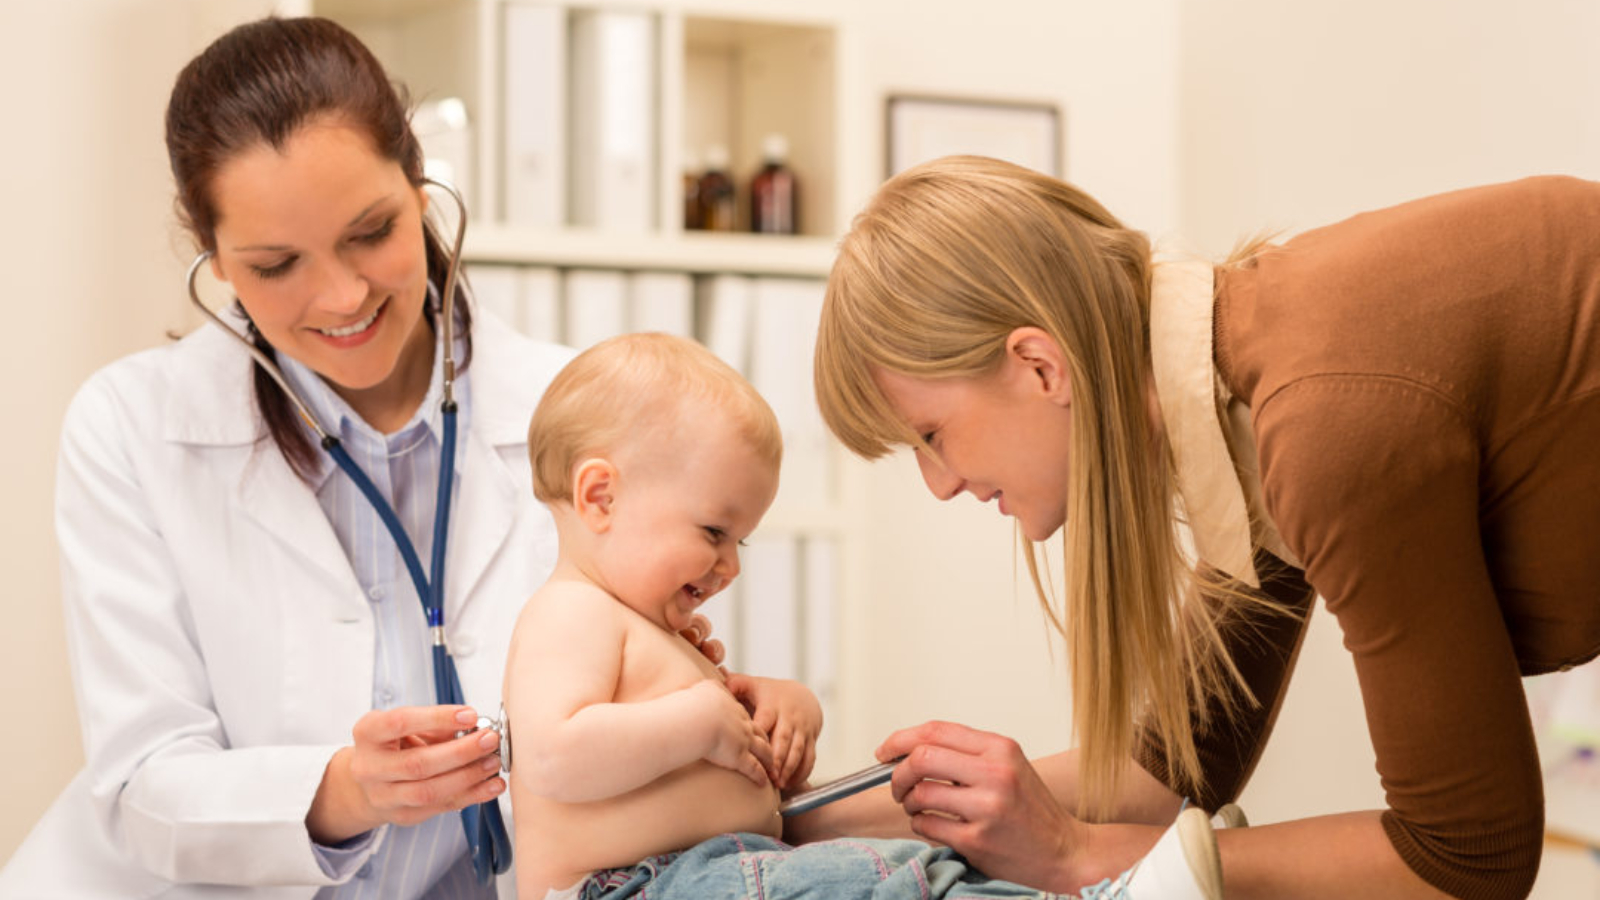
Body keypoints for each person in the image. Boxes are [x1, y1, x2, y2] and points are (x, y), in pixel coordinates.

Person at [0, 16, 734, 899]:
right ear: (216, 261)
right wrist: (344, 789)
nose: (343, 295)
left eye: (371, 231)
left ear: (420, 185)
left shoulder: (582, 417)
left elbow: (667, 717)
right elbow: (144, 783)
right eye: (275, 265)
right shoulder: (130, 428)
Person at [802, 154, 1600, 900]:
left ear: (1041, 367)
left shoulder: (1321, 425)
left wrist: (1075, 855)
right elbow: (1176, 769)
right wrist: (787, 820)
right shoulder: (1238, 389)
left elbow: (1469, 856)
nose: (939, 486)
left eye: (930, 437)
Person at [503, 332, 1230, 900]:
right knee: (881, 882)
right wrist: (697, 720)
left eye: (741, 540)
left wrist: (786, 710)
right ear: (600, 497)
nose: (730, 566)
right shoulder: (571, 613)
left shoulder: (652, 632)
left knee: (919, 870)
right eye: (713, 534)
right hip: (633, 887)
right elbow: (552, 755)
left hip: (722, 871)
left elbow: (714, 746)